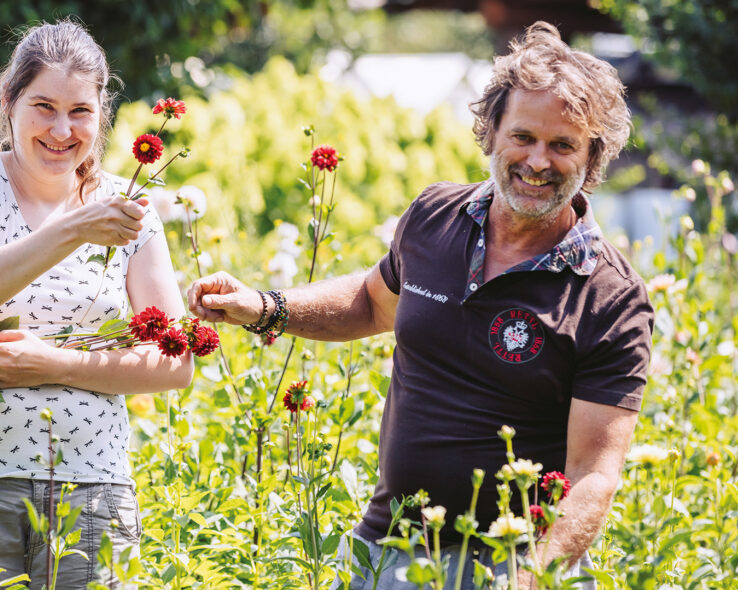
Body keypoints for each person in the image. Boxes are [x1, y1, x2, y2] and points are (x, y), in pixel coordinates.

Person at [187, 22, 652, 589]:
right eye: (523, 137)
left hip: (510, 564)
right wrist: (263, 306)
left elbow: (592, 475)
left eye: (562, 145)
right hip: (390, 549)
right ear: (492, 133)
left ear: (592, 156)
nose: (537, 161)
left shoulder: (608, 294)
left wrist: (533, 578)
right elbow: (369, 304)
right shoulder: (436, 216)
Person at [0, 19, 193, 589]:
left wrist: (54, 364)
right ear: (9, 101)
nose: (62, 130)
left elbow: (175, 361)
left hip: (93, 486)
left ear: (100, 115)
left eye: (80, 112)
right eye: (44, 106)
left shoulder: (128, 210)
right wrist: (74, 229)